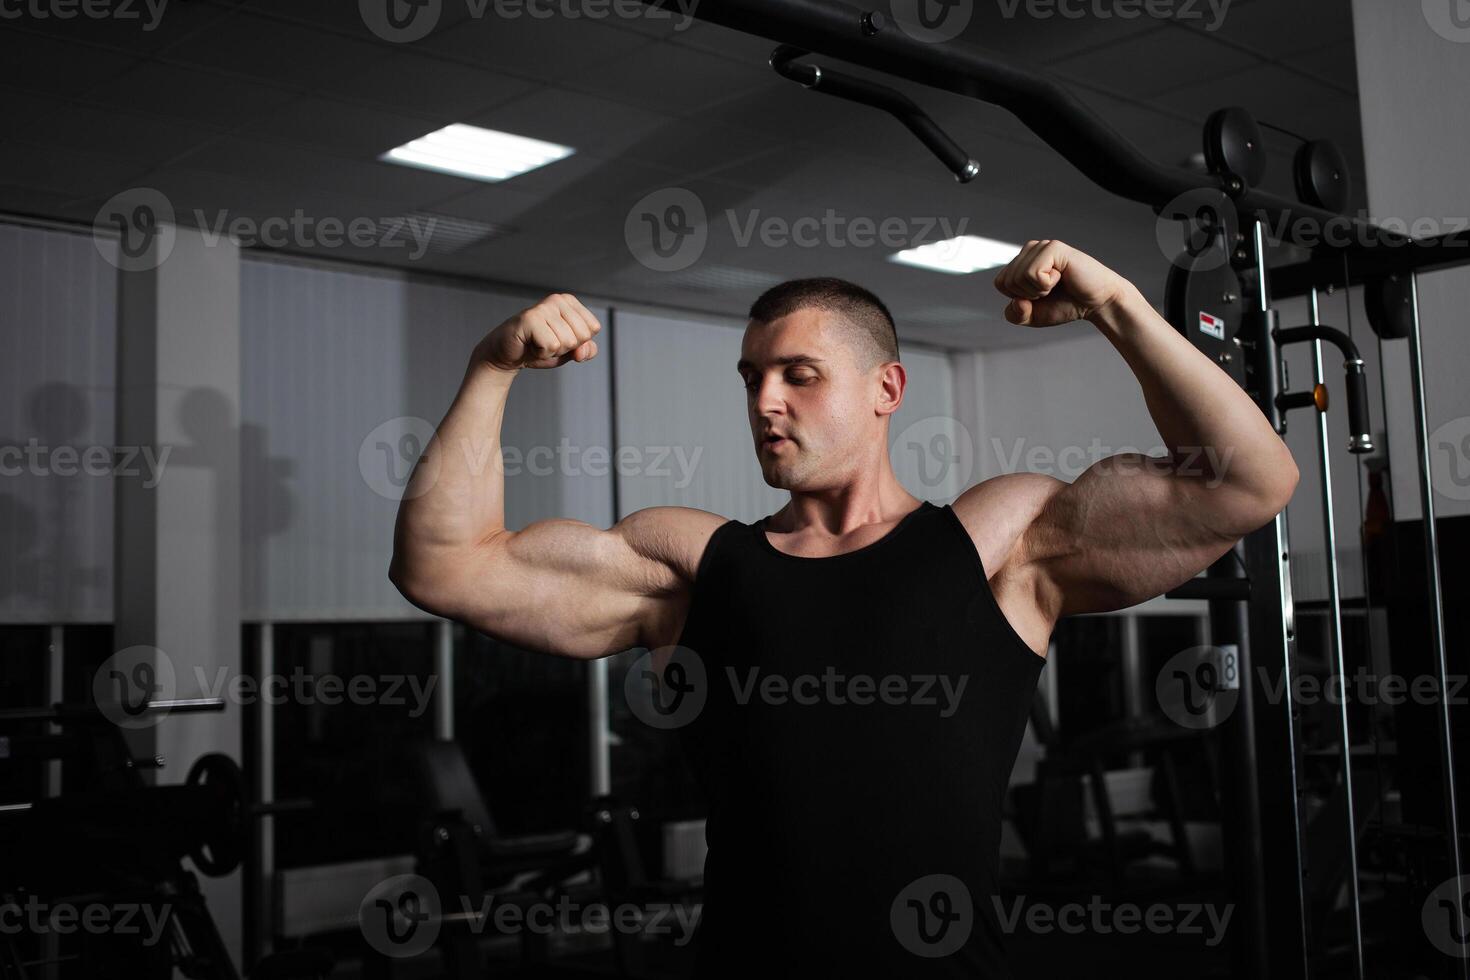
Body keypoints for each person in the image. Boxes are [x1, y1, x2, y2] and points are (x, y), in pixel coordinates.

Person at [389, 239, 1299, 976]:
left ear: (886, 391)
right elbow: (445, 567)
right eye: (751, 377)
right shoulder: (692, 565)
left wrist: (1118, 307)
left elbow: (1250, 484)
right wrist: (492, 366)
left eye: (799, 374)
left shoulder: (1002, 542)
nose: (765, 401)